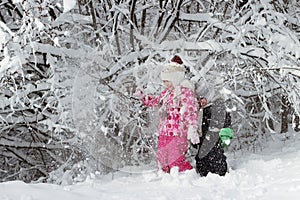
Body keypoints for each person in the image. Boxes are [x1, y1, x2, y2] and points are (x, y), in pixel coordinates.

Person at [135, 56, 200, 173]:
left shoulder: (185, 92)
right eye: (164, 82)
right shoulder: (166, 93)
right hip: (164, 131)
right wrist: (143, 97)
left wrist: (192, 128)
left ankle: (187, 175)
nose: (165, 84)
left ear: (175, 79)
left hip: (178, 132)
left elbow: (191, 111)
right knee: (162, 159)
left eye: (167, 81)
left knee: (175, 160)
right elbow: (156, 101)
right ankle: (165, 180)